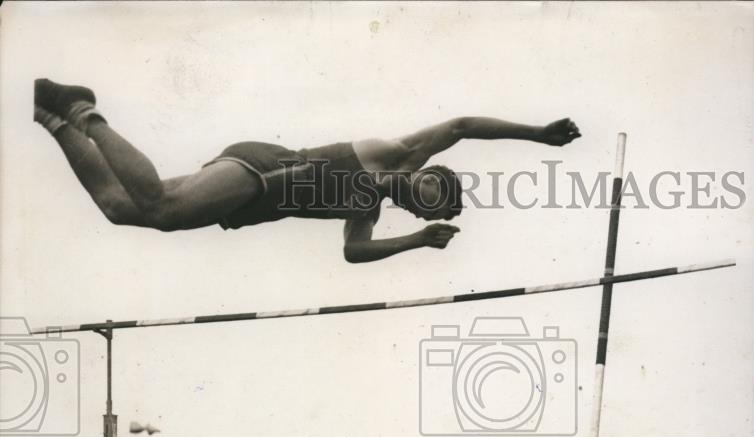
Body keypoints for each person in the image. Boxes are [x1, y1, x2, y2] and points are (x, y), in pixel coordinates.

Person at [33, 79, 580, 260]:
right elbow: (461, 124)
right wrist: (537, 134)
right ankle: (84, 108)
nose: (417, 193)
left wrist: (417, 239)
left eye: (421, 202)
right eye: (429, 184)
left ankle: (54, 117)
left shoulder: (367, 206)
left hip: (254, 200)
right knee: (162, 208)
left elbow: (354, 252)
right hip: (265, 168)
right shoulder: (397, 154)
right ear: (424, 170)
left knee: (122, 209)